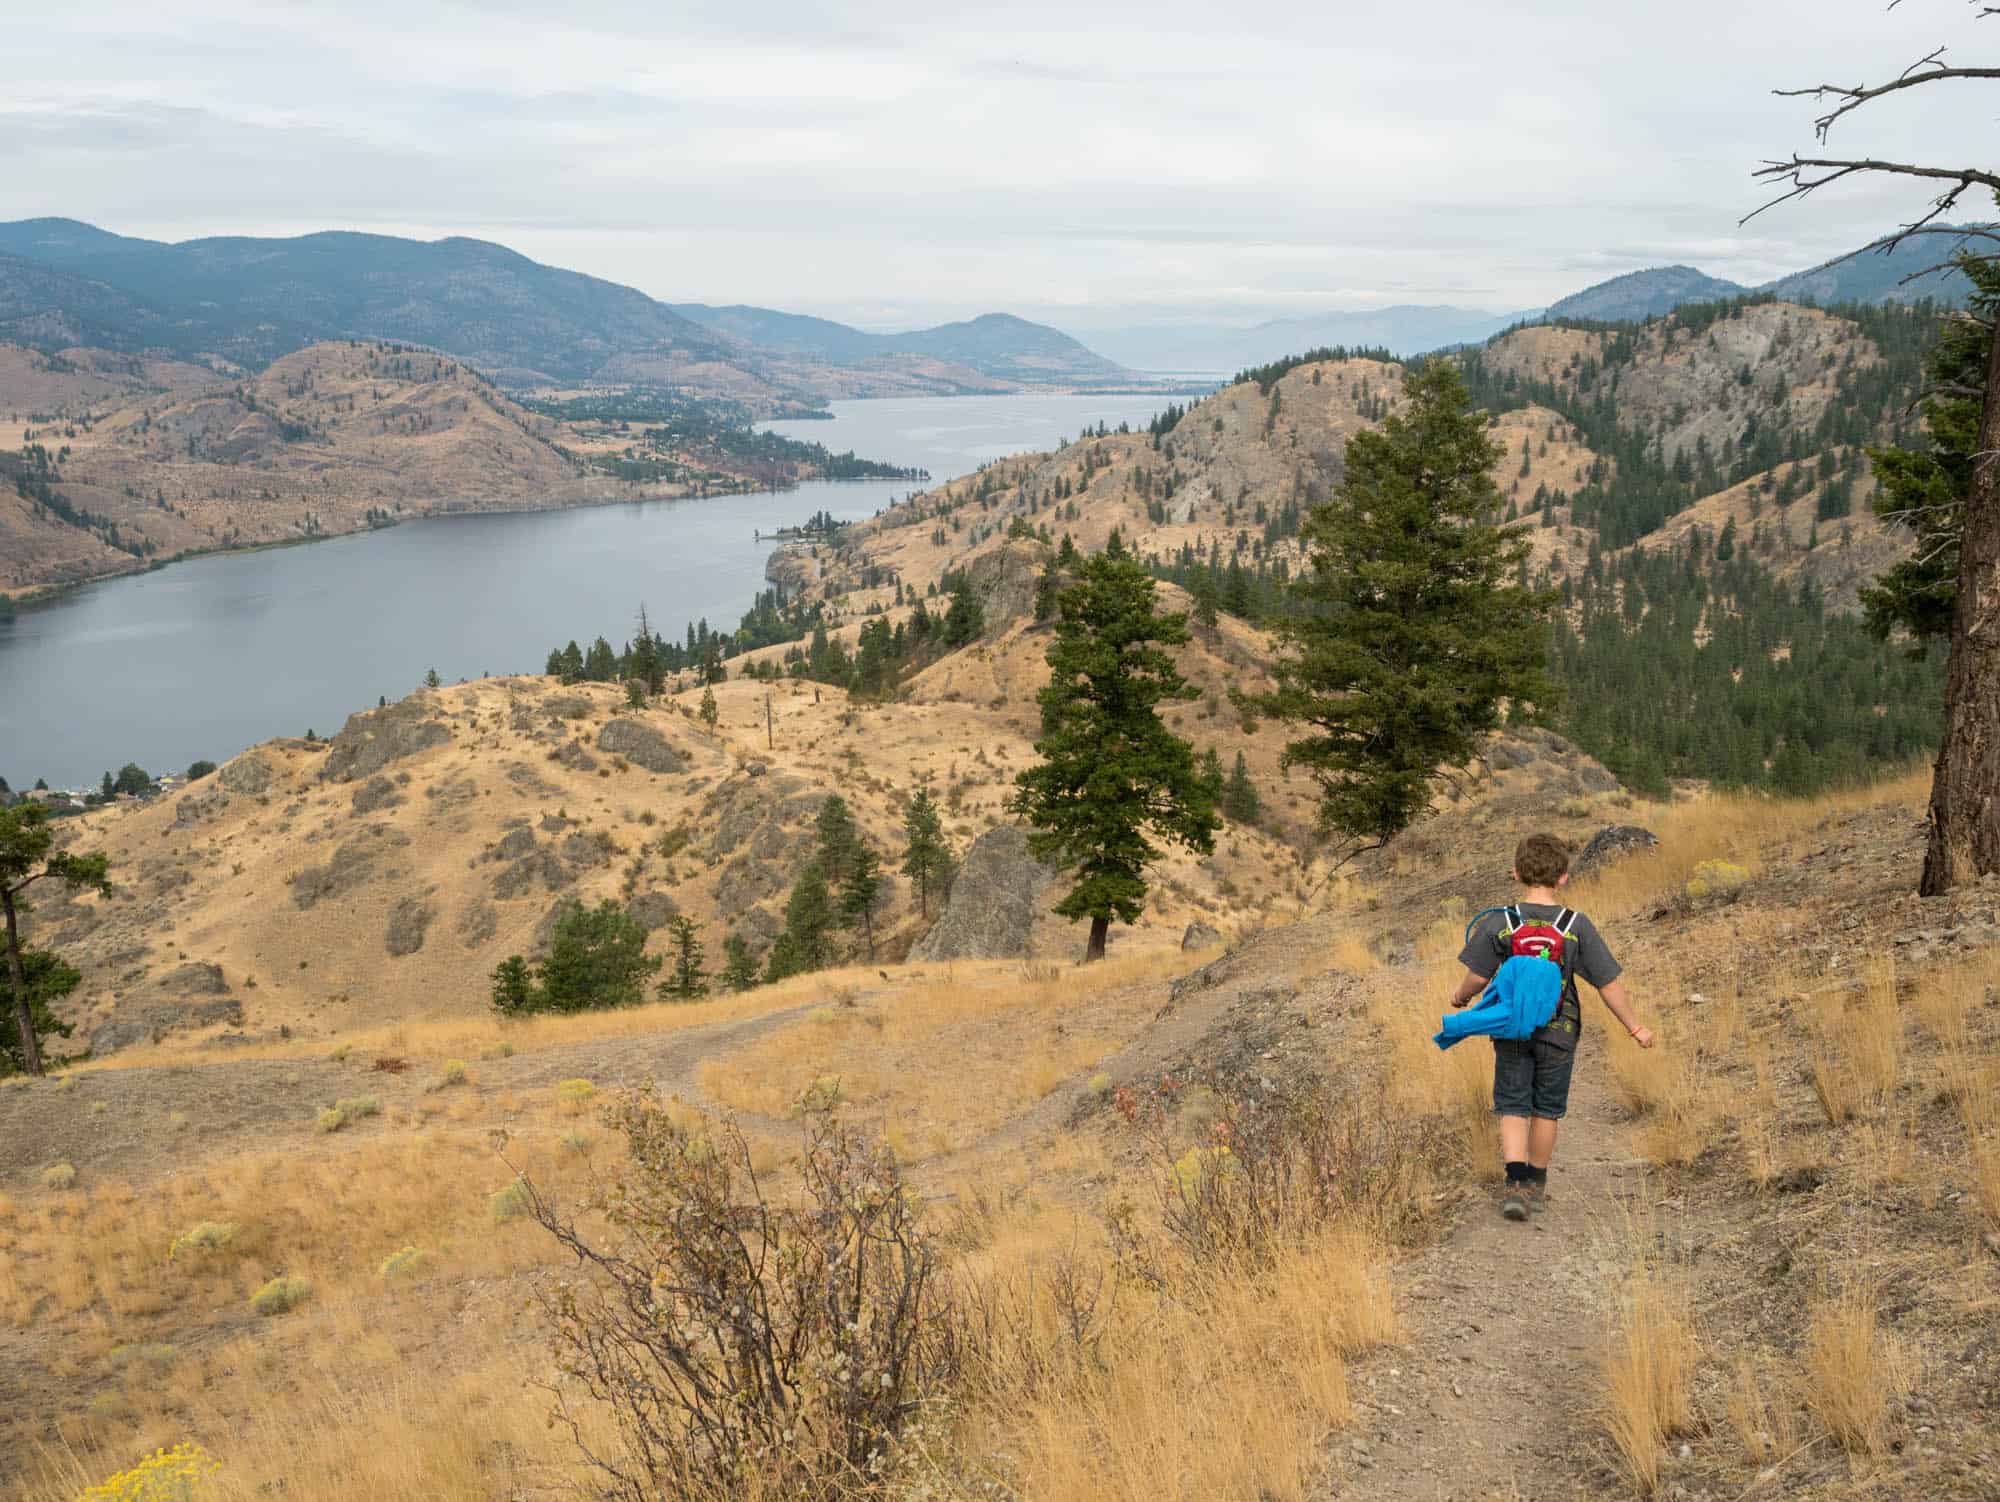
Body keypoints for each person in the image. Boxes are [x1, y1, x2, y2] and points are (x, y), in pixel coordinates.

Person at [1446, 832, 1654, 1221]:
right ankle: (1537, 1186)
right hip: (1560, 1031)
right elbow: (1608, 984)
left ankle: (1514, 1184)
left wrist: (1461, 999)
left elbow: (1476, 977)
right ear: (1563, 877)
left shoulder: (1500, 922)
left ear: (1516, 873)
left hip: (1512, 1029)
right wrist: (1634, 1027)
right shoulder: (1577, 925)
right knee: (1546, 1110)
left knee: (1512, 1105)